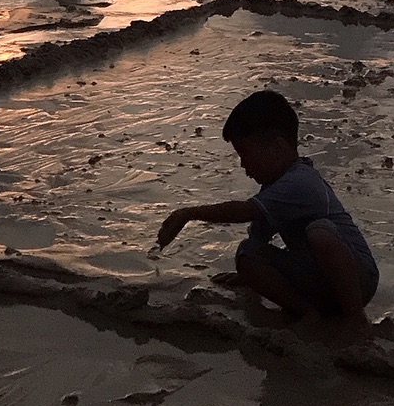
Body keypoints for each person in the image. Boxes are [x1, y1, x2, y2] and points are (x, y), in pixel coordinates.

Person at [155, 89, 379, 326]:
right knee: (247, 252)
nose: (242, 164)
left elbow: (242, 211)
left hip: (358, 279)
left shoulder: (301, 182)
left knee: (320, 233)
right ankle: (307, 311)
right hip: (317, 283)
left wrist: (189, 214)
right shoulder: (274, 191)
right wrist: (248, 275)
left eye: (245, 153)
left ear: (277, 147)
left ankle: (355, 318)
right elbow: (258, 239)